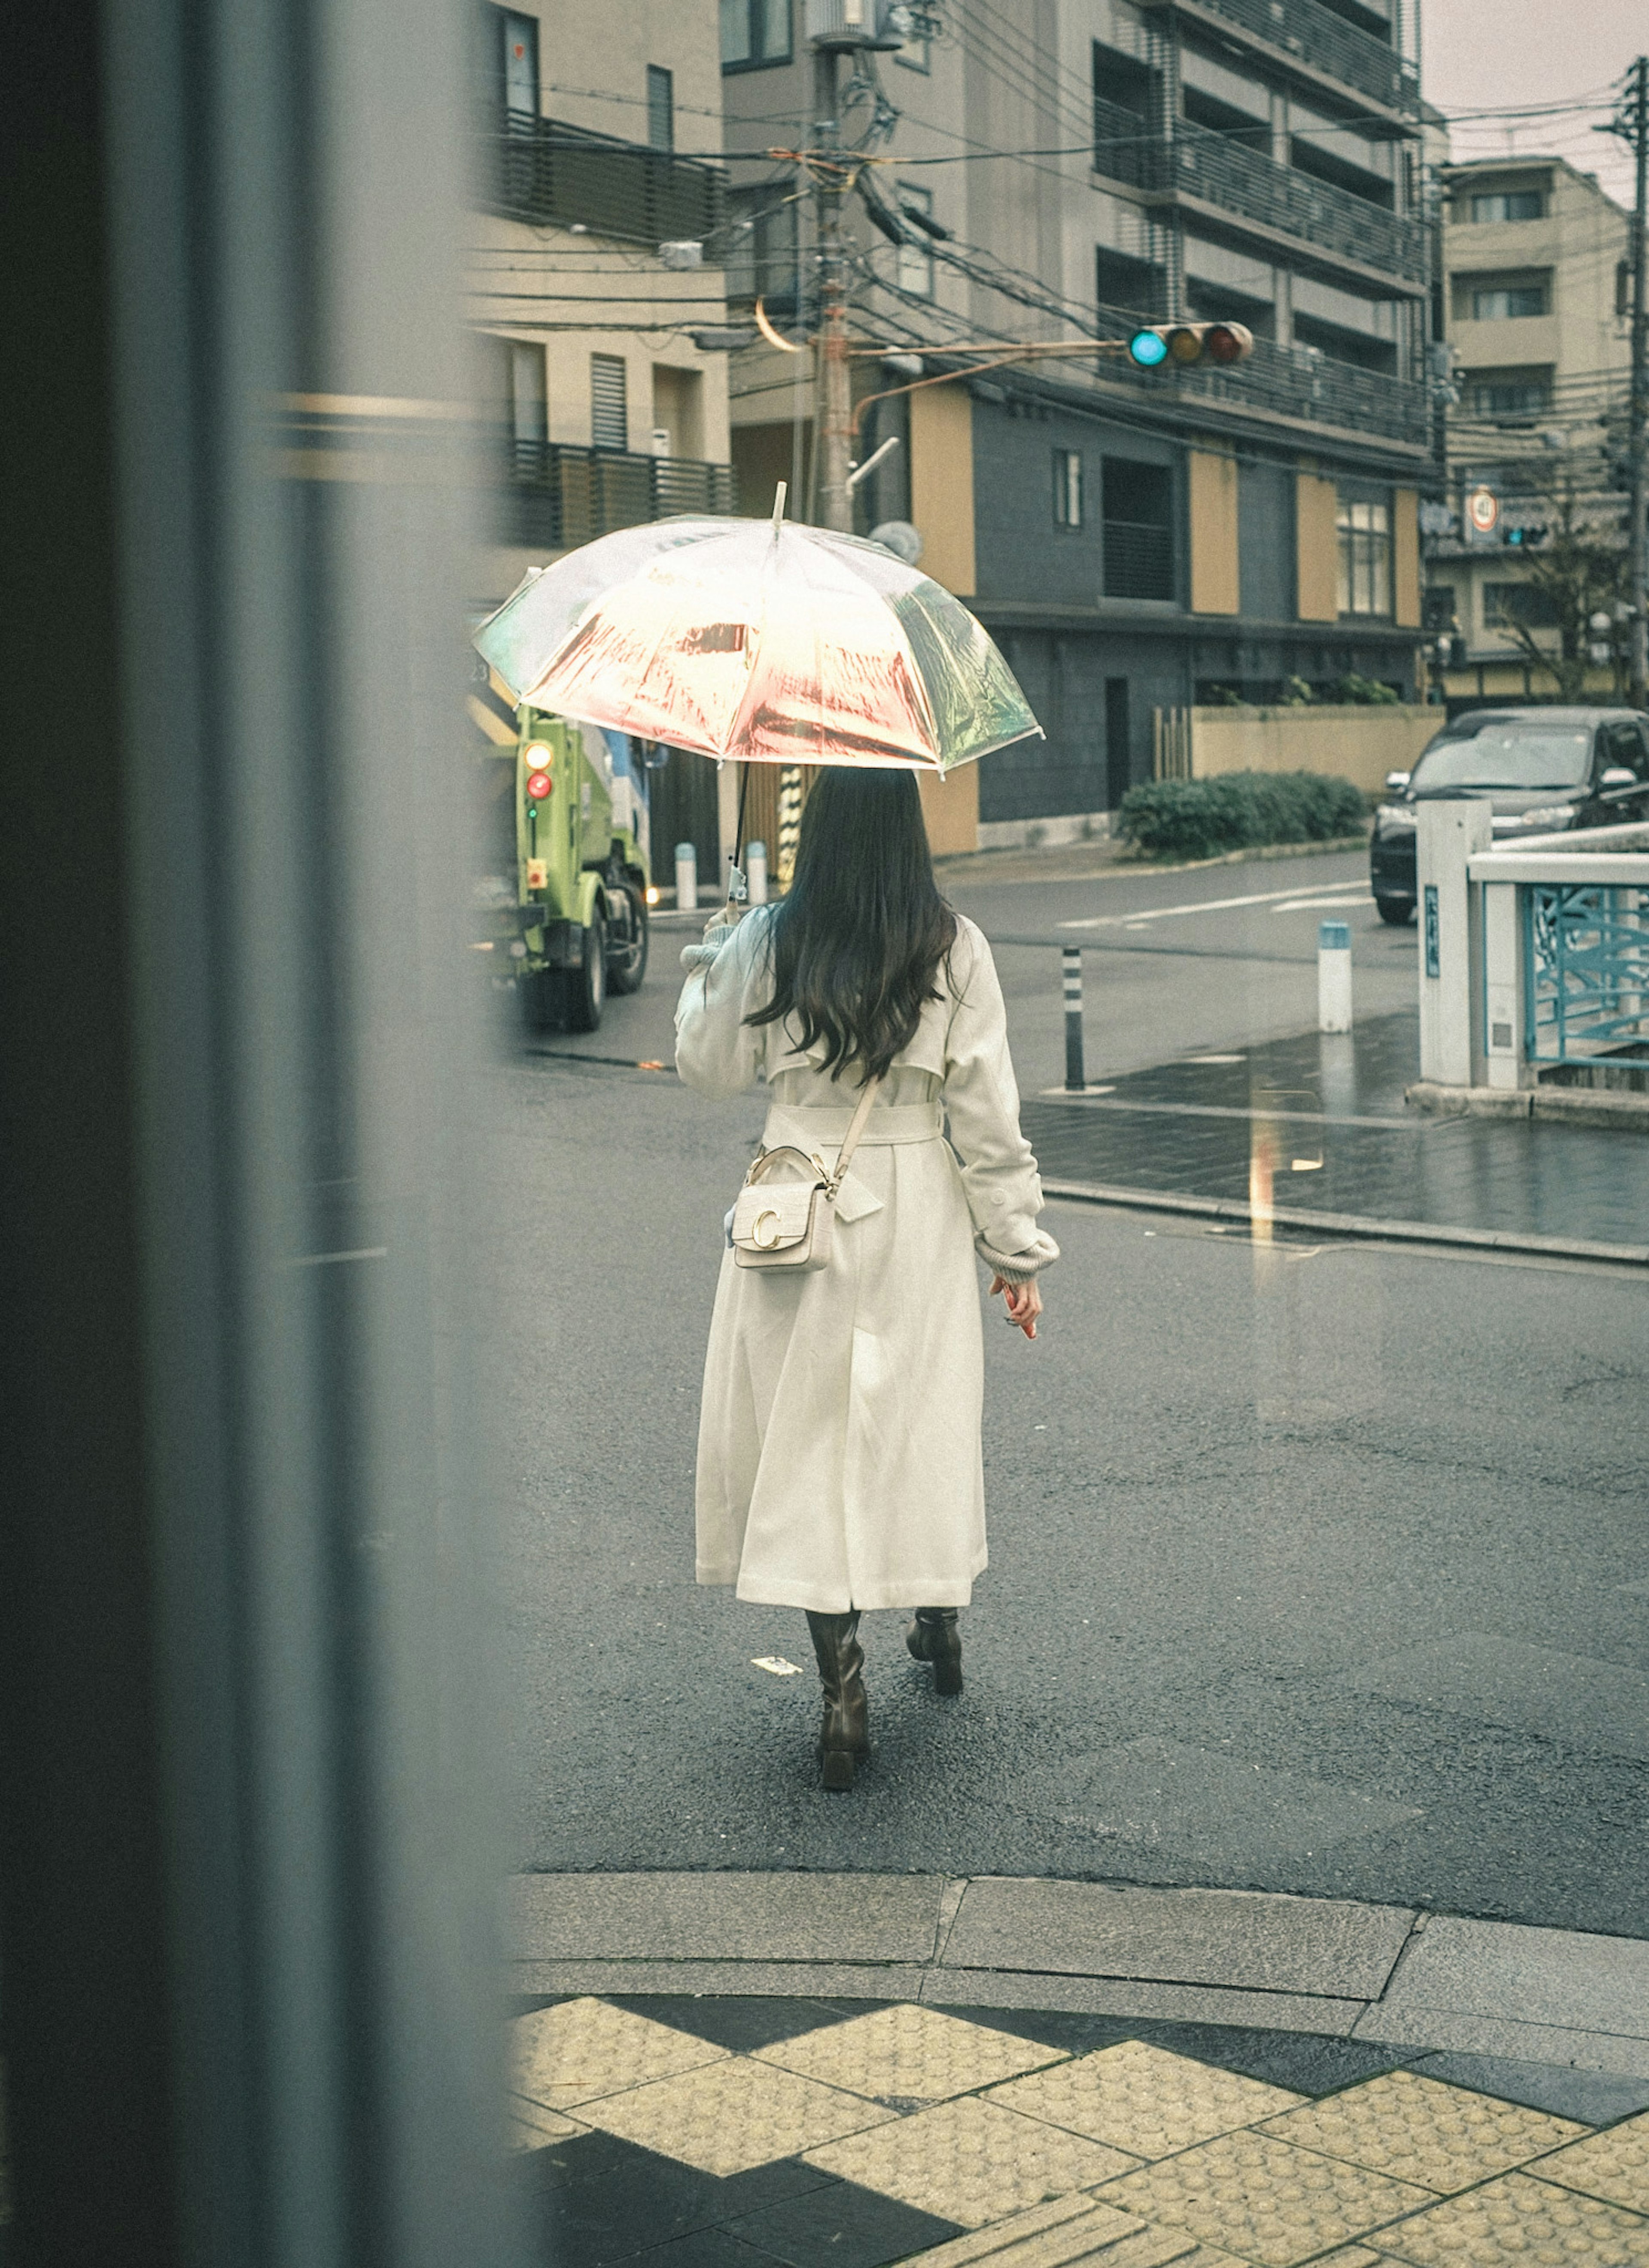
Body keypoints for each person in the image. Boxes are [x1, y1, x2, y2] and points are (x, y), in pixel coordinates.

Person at [674, 768, 1057, 1791]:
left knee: (807, 1443)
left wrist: (722, 951)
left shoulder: (773, 938)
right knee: (916, 1424)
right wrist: (1013, 1251)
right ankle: (936, 1616)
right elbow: (986, 1117)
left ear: (818, 830)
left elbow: (708, 1069)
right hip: (915, 1209)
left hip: (796, 1201)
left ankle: (843, 1696)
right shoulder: (953, 945)